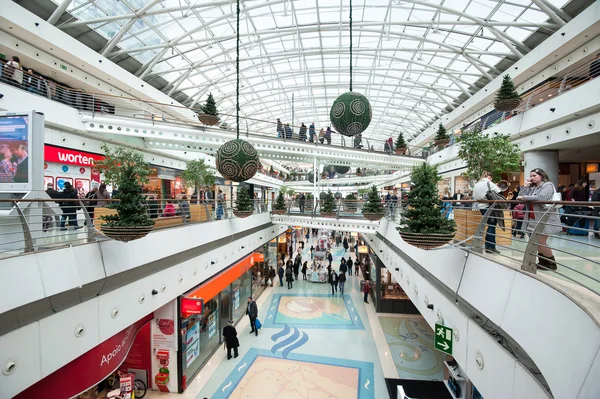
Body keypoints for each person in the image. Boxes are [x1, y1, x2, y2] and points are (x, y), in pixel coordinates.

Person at [516, 168, 562, 270]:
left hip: (545, 218)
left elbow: (541, 198)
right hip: (532, 218)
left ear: (541, 176)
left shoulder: (548, 185)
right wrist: (525, 187)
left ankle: (551, 263)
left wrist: (524, 198)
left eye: (534, 176)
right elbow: (520, 197)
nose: (532, 178)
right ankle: (543, 262)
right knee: (535, 242)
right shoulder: (532, 187)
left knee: (540, 241)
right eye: (531, 176)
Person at [472, 172, 501, 254]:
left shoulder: (477, 184)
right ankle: (490, 247)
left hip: (481, 207)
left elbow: (474, 196)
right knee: (492, 226)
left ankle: (488, 246)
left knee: (489, 225)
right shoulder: (488, 183)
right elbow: (499, 192)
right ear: (490, 178)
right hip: (489, 207)